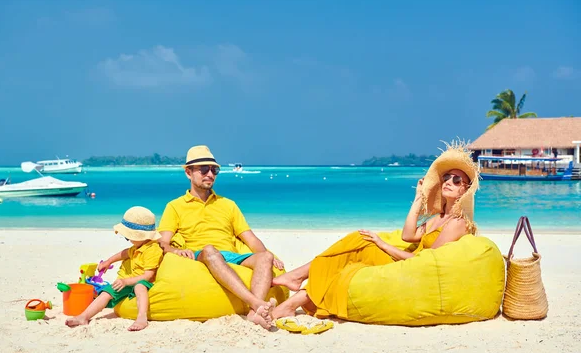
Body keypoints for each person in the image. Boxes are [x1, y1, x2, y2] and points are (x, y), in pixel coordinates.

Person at [271, 141, 480, 321]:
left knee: (363, 242)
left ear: (465, 189)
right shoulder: (438, 218)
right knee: (355, 247)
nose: (449, 182)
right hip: (406, 261)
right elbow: (407, 236)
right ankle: (294, 296)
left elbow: (424, 260)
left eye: (456, 180)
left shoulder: (457, 223)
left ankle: (297, 278)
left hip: (413, 269)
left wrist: (383, 244)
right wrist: (418, 198)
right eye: (446, 178)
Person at [158, 145, 284, 330]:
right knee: (210, 250)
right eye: (203, 169)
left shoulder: (228, 204)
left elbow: (250, 238)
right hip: (201, 255)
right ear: (188, 172)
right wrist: (176, 250)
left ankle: (252, 314)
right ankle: (256, 303)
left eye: (214, 170)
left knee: (265, 257)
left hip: (231, 256)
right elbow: (162, 242)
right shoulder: (175, 206)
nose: (210, 174)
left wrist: (270, 255)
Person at [66, 206, 163, 331]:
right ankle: (83, 317)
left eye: (128, 237)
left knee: (139, 286)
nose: (127, 240)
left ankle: (141, 318)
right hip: (128, 281)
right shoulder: (137, 247)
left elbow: (148, 276)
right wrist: (108, 261)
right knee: (107, 291)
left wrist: (126, 281)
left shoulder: (152, 250)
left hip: (145, 283)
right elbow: (124, 253)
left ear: (141, 236)